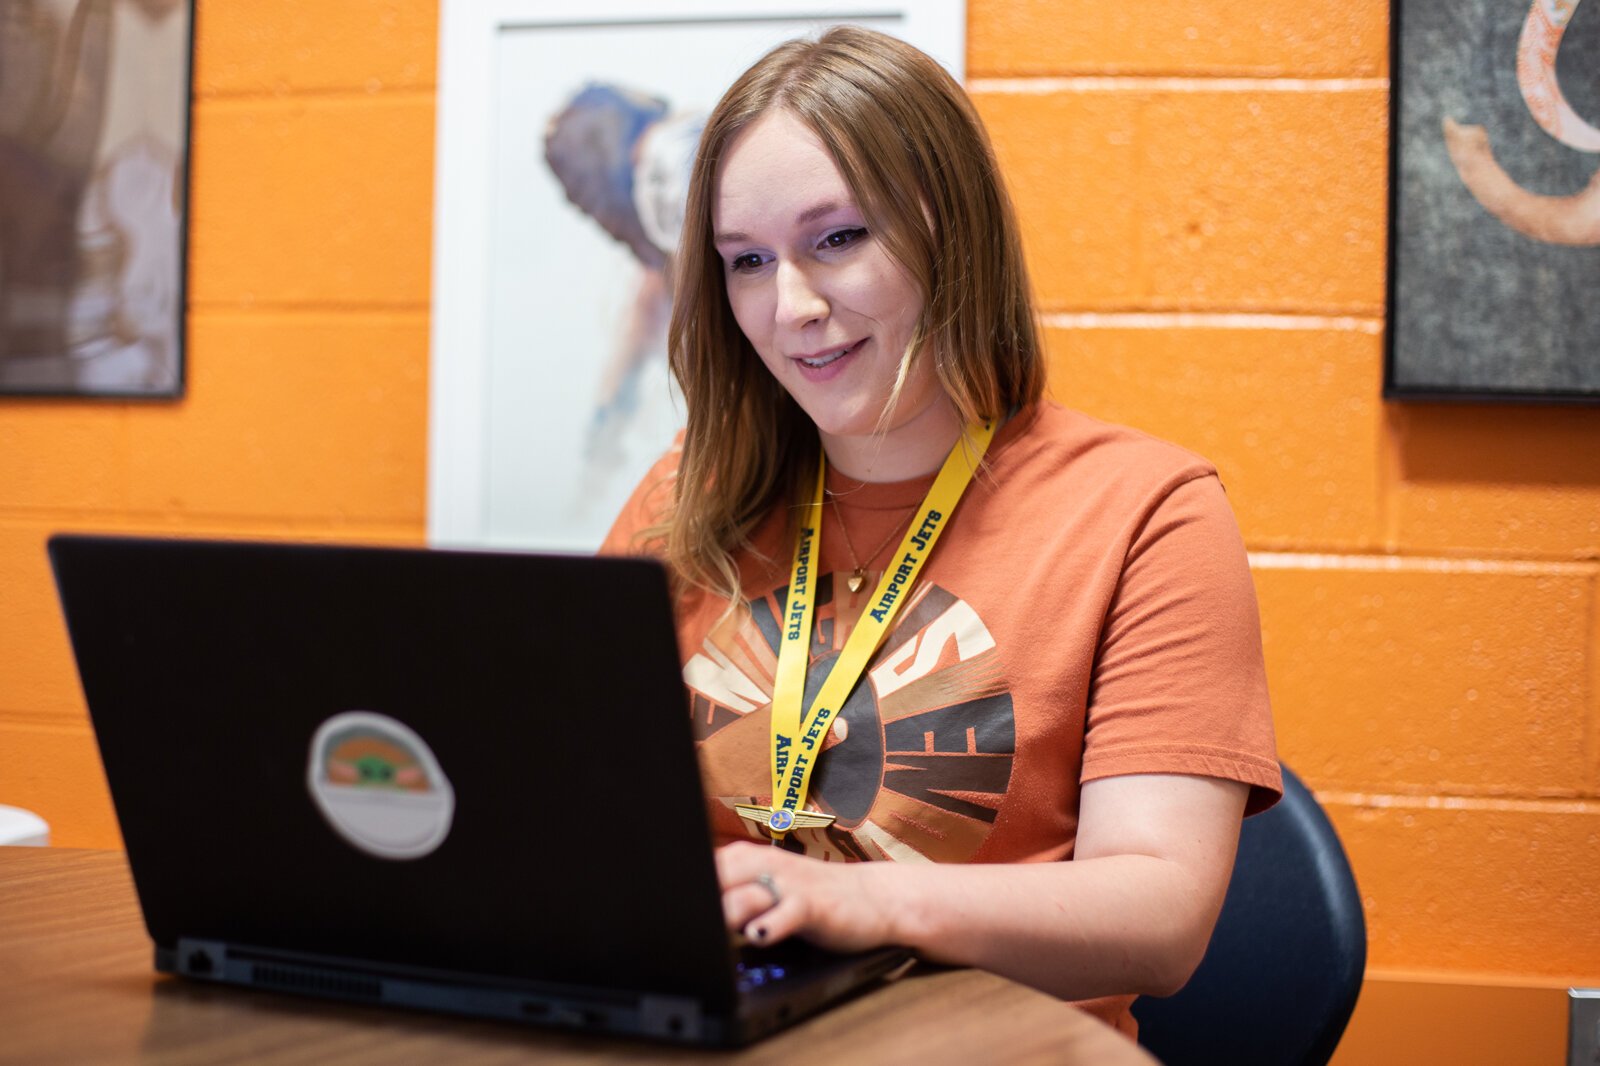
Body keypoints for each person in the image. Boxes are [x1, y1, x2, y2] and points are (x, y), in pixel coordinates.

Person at [600, 24, 1280, 1038]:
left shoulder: (1149, 510)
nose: (789, 306)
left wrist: (858, 904)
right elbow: (570, 817)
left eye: (837, 238)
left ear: (948, 232)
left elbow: (1159, 916)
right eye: (746, 260)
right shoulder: (683, 494)